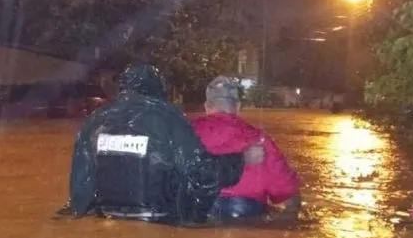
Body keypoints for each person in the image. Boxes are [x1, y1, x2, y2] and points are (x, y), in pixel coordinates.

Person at [60, 64, 263, 226]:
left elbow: (80, 186)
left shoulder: (94, 121)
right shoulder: (169, 119)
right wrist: (240, 159)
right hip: (160, 220)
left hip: (107, 218)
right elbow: (202, 173)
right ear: (159, 89)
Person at [191, 76, 302, 223]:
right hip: (246, 217)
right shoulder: (259, 139)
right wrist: (293, 212)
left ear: (206, 106)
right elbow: (287, 191)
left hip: (194, 213)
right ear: (238, 107)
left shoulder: (187, 132)